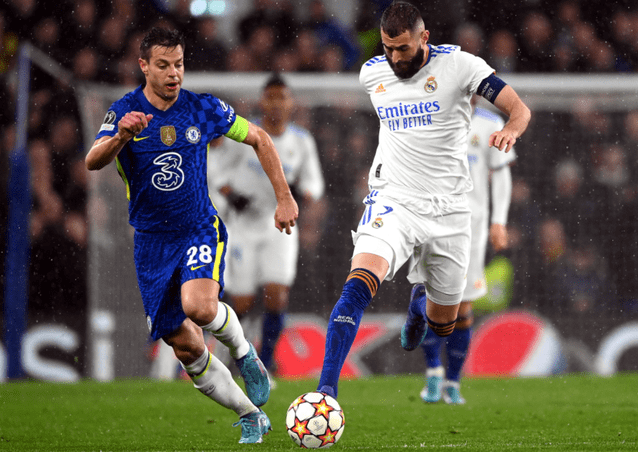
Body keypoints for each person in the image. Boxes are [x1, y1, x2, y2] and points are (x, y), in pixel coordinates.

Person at [85, 27, 298, 444]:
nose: (173, 74)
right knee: (187, 349)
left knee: (199, 308)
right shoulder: (124, 112)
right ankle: (249, 413)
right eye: (163, 65)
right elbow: (93, 160)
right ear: (144, 66)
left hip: (199, 227)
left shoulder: (202, 109)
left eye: (178, 65)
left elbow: (258, 137)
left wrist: (284, 197)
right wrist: (122, 136)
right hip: (151, 243)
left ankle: (244, 352)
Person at [315, 1, 531, 400]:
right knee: (358, 284)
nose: (395, 58)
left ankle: (418, 306)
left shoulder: (461, 66)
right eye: (387, 48)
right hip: (393, 199)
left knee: (445, 323)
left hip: (450, 209)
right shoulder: (372, 73)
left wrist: (512, 131)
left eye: (403, 48)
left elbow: (518, 109)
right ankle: (325, 392)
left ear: (425, 37)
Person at [209, 73, 325, 381]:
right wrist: (231, 196)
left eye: (281, 97)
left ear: (291, 104)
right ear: (262, 101)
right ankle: (239, 358)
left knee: (277, 294)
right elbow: (216, 168)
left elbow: (315, 184)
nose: (276, 103)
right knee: (243, 301)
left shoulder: (301, 141)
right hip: (243, 226)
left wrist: (299, 194)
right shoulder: (245, 134)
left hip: (280, 226)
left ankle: (269, 362)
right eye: (270, 97)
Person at [419, 97, 517, 405]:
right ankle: (433, 370)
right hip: (432, 221)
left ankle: (453, 382)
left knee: (462, 308)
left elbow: (501, 173)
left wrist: (499, 222)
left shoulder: (490, 124)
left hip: (472, 229)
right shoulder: (427, 119)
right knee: (430, 299)